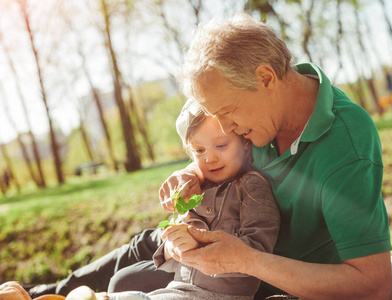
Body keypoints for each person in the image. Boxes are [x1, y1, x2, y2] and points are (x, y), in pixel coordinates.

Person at [27, 12, 392, 300]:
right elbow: (217, 144)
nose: (226, 127)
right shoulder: (256, 110)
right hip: (219, 235)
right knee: (146, 242)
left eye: (227, 112)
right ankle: (39, 295)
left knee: (130, 278)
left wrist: (245, 259)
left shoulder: (346, 143)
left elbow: (373, 287)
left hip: (262, 270)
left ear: (265, 78)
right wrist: (194, 171)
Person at [14, 99, 280, 300]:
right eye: (199, 150)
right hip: (182, 285)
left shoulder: (252, 188)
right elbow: (174, 249)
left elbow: (256, 257)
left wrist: (196, 245)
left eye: (221, 146)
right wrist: (173, 242)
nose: (209, 158)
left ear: (246, 143)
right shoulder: (201, 186)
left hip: (218, 294)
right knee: (130, 290)